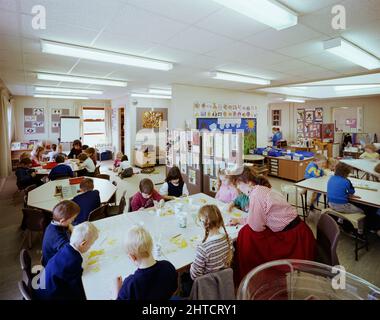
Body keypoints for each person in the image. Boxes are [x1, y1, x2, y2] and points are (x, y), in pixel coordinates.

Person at [229, 166, 316, 284]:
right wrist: (241, 220)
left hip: (293, 239)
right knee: (247, 233)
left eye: (238, 184)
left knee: (246, 235)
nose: (238, 188)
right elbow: (259, 219)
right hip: (299, 232)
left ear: (248, 183)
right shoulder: (261, 189)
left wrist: (242, 221)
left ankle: (251, 275)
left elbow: (257, 226)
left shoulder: (256, 194)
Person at [35, 222, 99, 300]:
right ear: (83, 244)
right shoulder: (75, 260)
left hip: (42, 287)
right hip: (50, 296)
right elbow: (76, 287)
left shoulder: (66, 247)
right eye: (90, 245)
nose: (90, 247)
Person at [113, 225, 177, 300]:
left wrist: (117, 290)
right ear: (152, 246)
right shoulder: (168, 266)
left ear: (132, 257)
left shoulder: (131, 284)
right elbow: (174, 288)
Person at [190, 205, 233, 280]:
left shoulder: (203, 249)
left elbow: (195, 276)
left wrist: (192, 265)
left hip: (207, 285)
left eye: (200, 220)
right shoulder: (228, 239)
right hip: (223, 282)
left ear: (204, 223)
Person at [42, 200, 80, 266]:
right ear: (62, 221)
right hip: (53, 265)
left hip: (55, 256)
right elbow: (70, 254)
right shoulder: (56, 236)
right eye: (72, 219)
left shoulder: (56, 223)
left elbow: (70, 226)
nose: (73, 220)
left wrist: (70, 227)